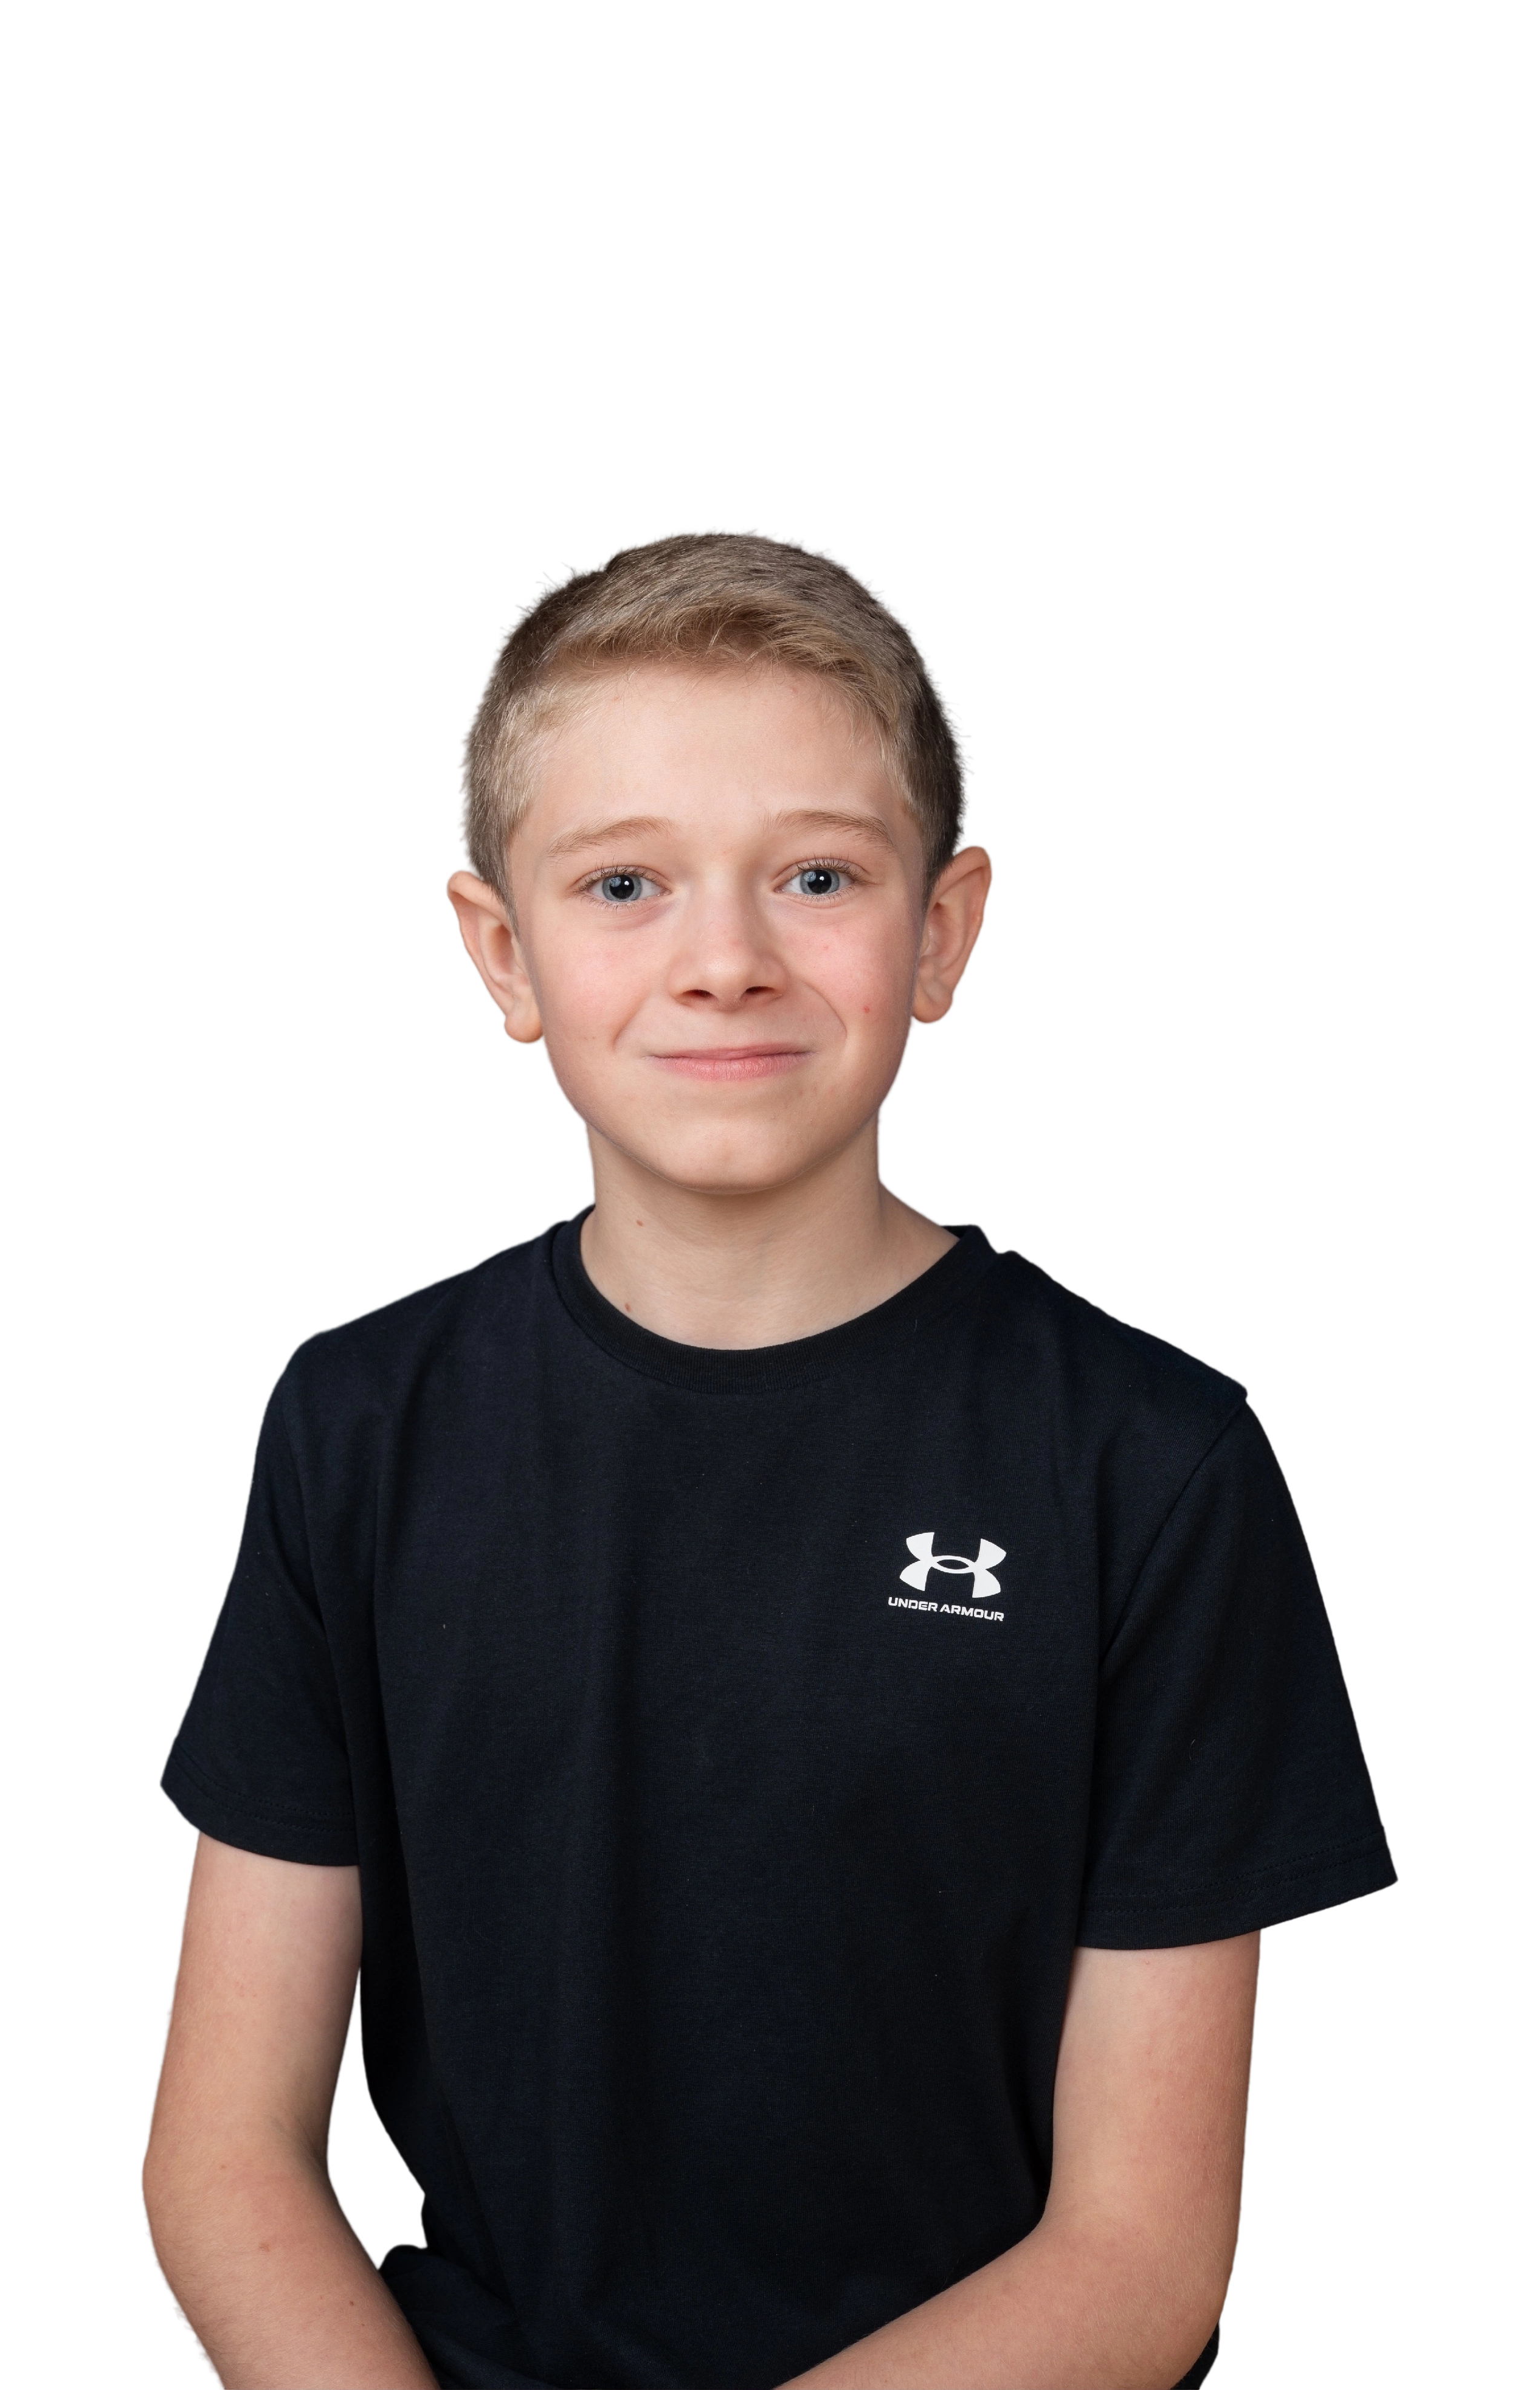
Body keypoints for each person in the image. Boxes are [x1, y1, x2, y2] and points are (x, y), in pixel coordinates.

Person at [142, 523, 1397, 2390]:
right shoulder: (357, 1424)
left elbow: (1138, 2262)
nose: (722, 962)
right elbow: (225, 2158)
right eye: (624, 883)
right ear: (502, 952)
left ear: (940, 933)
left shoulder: (1151, 1464)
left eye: (815, 875)